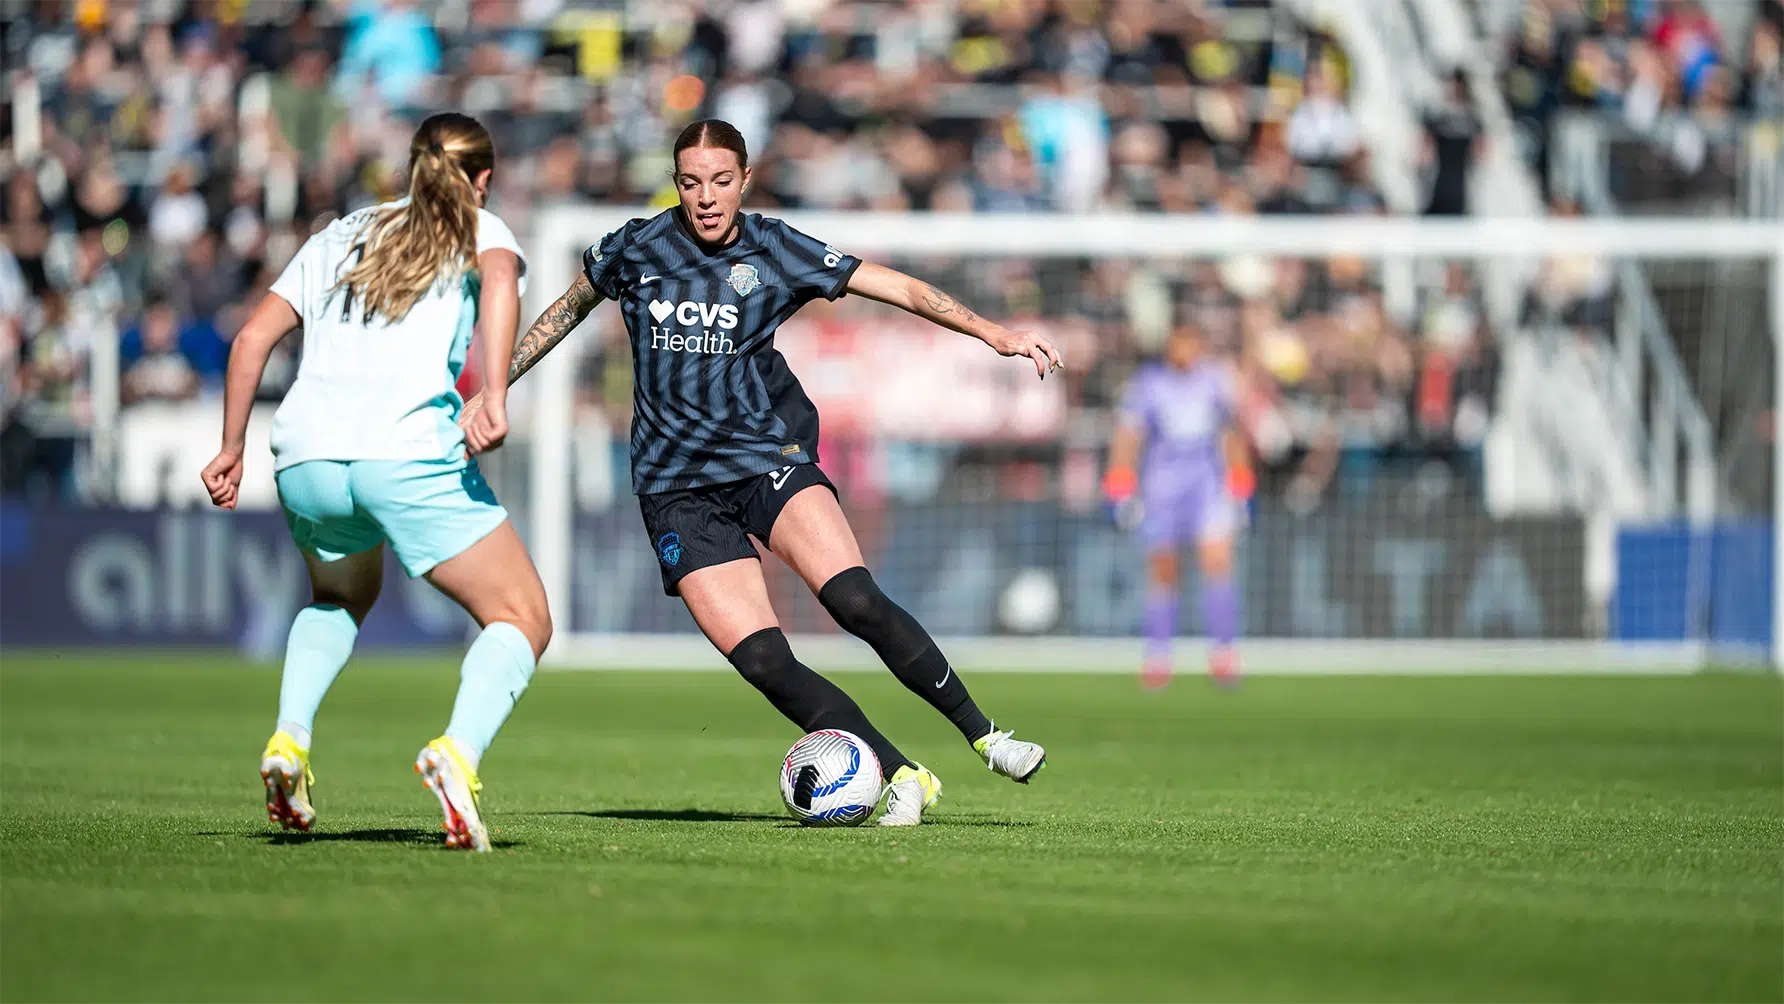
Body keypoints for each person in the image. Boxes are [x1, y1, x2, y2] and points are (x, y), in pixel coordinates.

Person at [462, 119, 1059, 826]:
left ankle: (987, 736)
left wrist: (994, 333)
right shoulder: (637, 246)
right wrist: (494, 389)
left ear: (744, 180)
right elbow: (565, 311)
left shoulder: (774, 247)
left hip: (763, 460)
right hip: (675, 489)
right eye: (691, 182)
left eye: (721, 181)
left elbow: (888, 284)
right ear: (676, 183)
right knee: (764, 661)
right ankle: (903, 775)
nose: (706, 198)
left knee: (855, 601)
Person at [199, 113, 547, 853]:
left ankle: (288, 743)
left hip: (305, 457)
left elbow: (252, 337)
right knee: (522, 615)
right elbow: (499, 282)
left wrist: (231, 448)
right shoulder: (481, 230)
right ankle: (458, 755)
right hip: (404, 452)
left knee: (339, 595)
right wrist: (493, 395)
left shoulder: (338, 234)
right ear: (481, 179)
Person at [1102, 324, 1250, 690]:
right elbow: (1128, 436)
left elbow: (1231, 434)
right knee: (1164, 570)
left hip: (1206, 489)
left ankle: (1223, 653)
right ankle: (1158, 655)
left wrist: (1241, 485)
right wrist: (1121, 486)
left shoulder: (1214, 381)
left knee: (1217, 561)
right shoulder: (1149, 384)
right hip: (1162, 491)